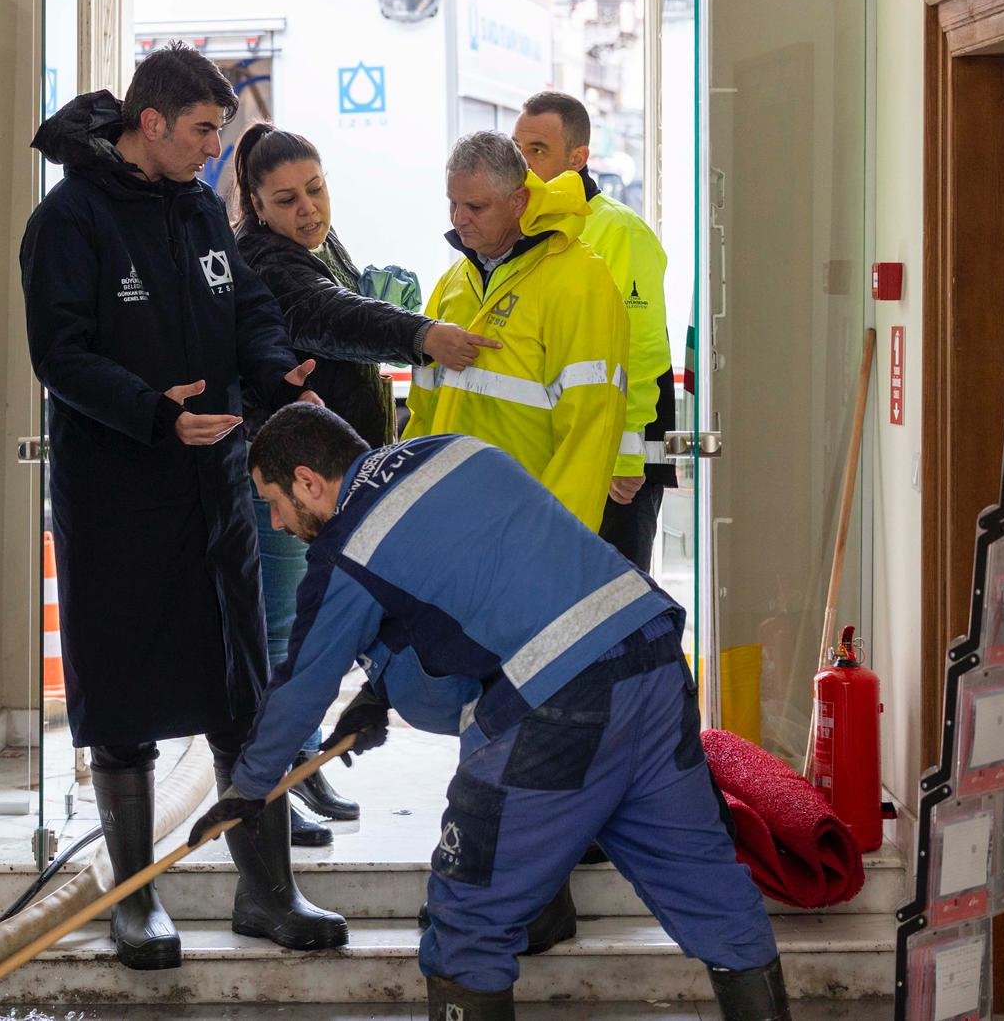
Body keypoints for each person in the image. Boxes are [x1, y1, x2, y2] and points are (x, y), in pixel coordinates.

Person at [190, 405, 790, 1021]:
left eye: (275, 502)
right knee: (706, 886)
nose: (278, 521)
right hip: (652, 659)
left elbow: (302, 685)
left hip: (561, 700)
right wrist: (380, 693)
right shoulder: (451, 452)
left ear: (308, 481)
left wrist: (250, 788)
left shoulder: (349, 547)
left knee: (466, 918)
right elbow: (473, 595)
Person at [20, 43, 346, 971]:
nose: (216, 149)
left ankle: (269, 893)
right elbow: (61, 354)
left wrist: (278, 370)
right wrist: (156, 415)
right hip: (119, 496)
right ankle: (134, 902)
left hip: (215, 499)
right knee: (121, 700)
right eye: (206, 131)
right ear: (152, 122)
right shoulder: (69, 220)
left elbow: (246, 307)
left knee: (242, 693)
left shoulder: (199, 208)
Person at [232, 122, 501, 845]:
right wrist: (420, 333)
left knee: (306, 627)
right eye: (286, 199)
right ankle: (270, 794)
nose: (308, 209)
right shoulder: (265, 258)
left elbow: (341, 299)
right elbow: (332, 316)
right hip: (291, 483)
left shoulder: (315, 246)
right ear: (256, 206)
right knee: (286, 632)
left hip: (326, 479)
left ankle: (302, 763)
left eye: (315, 190)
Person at [400, 131, 629, 532]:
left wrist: (554, 540)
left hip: (528, 527)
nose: (458, 219)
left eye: (476, 206)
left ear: (518, 201)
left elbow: (589, 433)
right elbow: (423, 410)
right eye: (452, 203)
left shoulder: (578, 281)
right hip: (452, 516)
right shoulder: (454, 281)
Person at [513, 91, 677, 571]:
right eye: (517, 148)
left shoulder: (619, 231)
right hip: (564, 454)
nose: (522, 163)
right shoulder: (529, 232)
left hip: (616, 467)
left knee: (617, 602)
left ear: (578, 158)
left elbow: (644, 350)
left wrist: (627, 457)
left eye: (537, 151)